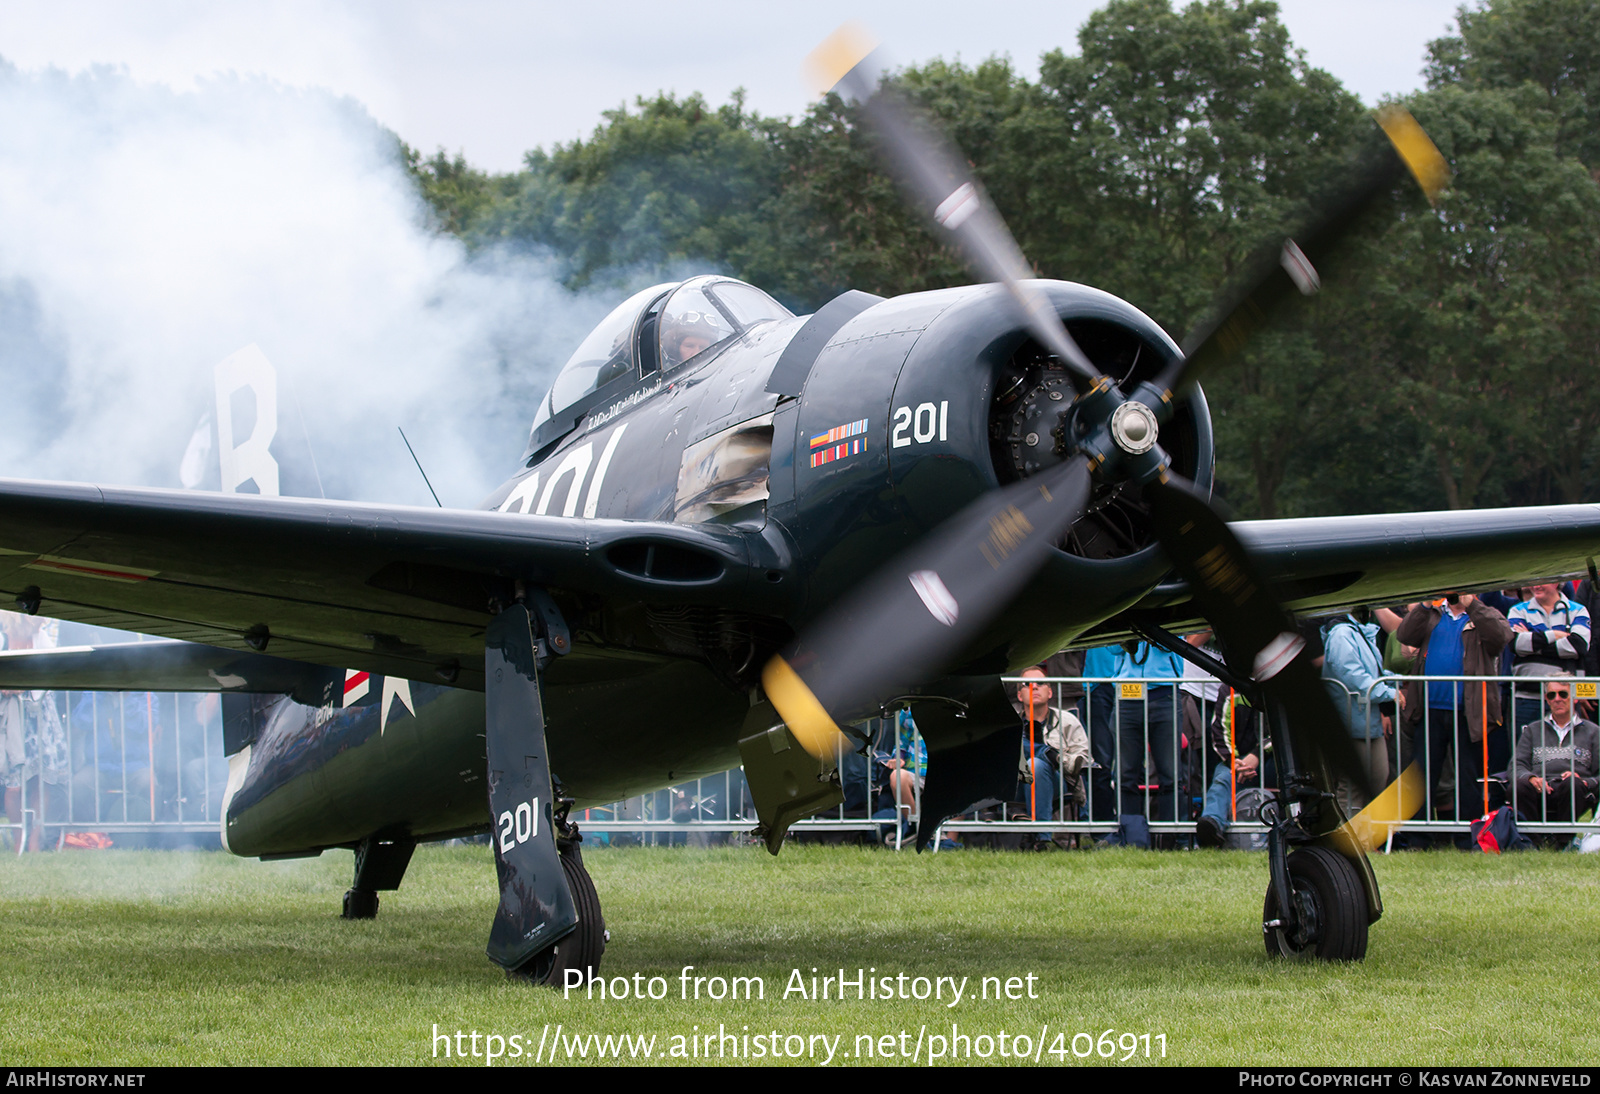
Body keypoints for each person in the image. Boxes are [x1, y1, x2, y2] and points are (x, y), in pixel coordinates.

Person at [1399, 593, 1512, 825]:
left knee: (1467, 776)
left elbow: (1501, 637)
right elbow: (1404, 635)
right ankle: (1418, 835)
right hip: (1429, 709)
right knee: (1421, 775)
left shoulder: (1482, 615)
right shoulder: (1432, 614)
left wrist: (1473, 606)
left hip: (1468, 713)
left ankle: (1468, 834)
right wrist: (1424, 604)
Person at [1320, 608, 1398, 815]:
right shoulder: (1341, 634)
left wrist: (1395, 680)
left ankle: (1368, 838)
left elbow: (1370, 671)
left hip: (1368, 722)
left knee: (1378, 780)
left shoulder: (1358, 631)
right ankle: (1348, 840)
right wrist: (1389, 692)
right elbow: (1352, 676)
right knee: (1351, 786)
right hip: (1350, 722)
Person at [1511, 674, 1598, 824]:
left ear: (1575, 698)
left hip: (1575, 789)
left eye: (1563, 694)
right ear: (1546, 699)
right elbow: (1516, 765)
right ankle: (1533, 841)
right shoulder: (1532, 729)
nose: (1557, 699)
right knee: (1520, 785)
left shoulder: (1593, 731)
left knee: (1573, 785)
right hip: (1539, 787)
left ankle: (1563, 841)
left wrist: (1585, 782)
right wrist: (1530, 778)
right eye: (1552, 695)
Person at [1507, 582, 1590, 734]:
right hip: (1527, 698)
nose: (1535, 586)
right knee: (1525, 752)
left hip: (1565, 699)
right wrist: (1556, 635)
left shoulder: (1577, 610)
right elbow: (1516, 644)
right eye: (1532, 582)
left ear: (1557, 582)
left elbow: (1578, 646)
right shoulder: (1517, 611)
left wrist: (1533, 641)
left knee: (1565, 751)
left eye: (1541, 581)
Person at [1013, 667, 1090, 828]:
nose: (1034, 687)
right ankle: (1050, 754)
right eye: (1027, 684)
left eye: (1040, 683)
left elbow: (1083, 757)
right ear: (1019, 695)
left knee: (1037, 765)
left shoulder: (1068, 721)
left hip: (1058, 782)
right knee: (1018, 746)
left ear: (1050, 692)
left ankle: (1041, 836)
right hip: (1014, 784)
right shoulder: (1010, 724)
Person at [1195, 689, 1272, 847]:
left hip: (1272, 759)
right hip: (1236, 762)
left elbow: (1283, 731)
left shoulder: (1275, 682)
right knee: (1222, 779)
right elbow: (1220, 731)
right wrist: (1234, 761)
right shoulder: (1228, 689)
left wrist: (1257, 755)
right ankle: (1211, 824)